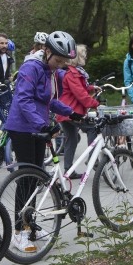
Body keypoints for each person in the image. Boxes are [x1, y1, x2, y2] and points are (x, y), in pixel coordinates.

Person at [5, 31, 80, 252]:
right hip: (22, 128)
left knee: (36, 180)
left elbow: (50, 101)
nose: (60, 65)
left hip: (37, 128)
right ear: (46, 51)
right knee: (26, 180)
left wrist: (73, 113)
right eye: (58, 60)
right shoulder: (31, 68)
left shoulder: (50, 71)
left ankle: (31, 226)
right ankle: (19, 232)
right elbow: (24, 99)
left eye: (64, 62)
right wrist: (43, 125)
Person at [57, 44, 100, 177]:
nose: (85, 57)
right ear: (76, 58)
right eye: (83, 55)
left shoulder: (75, 72)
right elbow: (81, 95)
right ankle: (93, 160)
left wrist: (92, 87)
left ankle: (68, 170)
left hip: (65, 113)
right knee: (93, 128)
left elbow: (81, 88)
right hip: (71, 112)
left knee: (72, 139)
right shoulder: (73, 74)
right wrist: (96, 104)